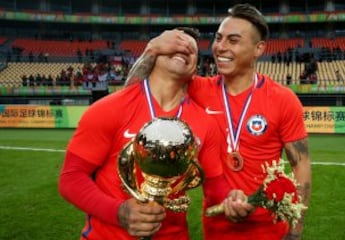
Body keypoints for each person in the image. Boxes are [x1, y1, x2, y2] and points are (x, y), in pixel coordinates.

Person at [125, 4, 312, 240]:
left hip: (268, 228)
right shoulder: (196, 89)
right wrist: (151, 50)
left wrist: (295, 232)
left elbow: (301, 167)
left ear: (259, 48)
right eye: (218, 38)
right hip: (216, 226)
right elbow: (131, 98)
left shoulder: (283, 99)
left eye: (233, 40)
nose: (220, 47)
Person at [58, 27, 230, 240]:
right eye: (175, 42)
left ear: (196, 67)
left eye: (192, 50)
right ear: (155, 51)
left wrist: (231, 198)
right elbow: (71, 178)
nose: (184, 49)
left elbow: (214, 184)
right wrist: (118, 212)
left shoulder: (206, 123)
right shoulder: (108, 109)